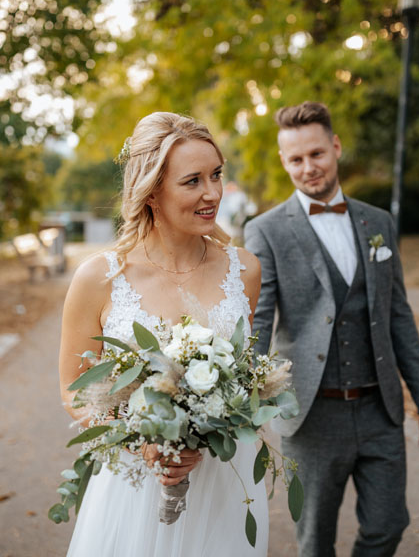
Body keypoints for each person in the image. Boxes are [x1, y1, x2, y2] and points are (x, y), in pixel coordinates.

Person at [244, 101, 419, 557]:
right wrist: (249, 406)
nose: (308, 168)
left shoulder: (379, 223)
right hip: (312, 416)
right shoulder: (266, 231)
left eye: (316, 154)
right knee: (314, 542)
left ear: (335, 147)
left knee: (388, 525)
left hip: (380, 409)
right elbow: (259, 322)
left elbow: (399, 315)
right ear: (284, 162)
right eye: (295, 159)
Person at [58, 112, 268, 556]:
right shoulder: (99, 278)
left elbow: (245, 379)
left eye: (216, 175)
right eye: (192, 181)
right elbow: (74, 393)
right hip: (134, 489)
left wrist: (217, 423)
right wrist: (143, 439)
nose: (212, 193)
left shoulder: (245, 271)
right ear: (152, 191)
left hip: (224, 487)